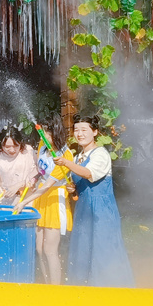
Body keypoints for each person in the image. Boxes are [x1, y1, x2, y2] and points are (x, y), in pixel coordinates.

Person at [53, 114, 135, 287]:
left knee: (103, 249)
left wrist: (66, 163)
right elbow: (80, 186)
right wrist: (73, 190)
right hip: (83, 210)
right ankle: (83, 289)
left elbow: (88, 173)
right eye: (76, 130)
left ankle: (112, 290)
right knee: (83, 249)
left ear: (95, 132)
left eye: (84, 130)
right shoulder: (77, 158)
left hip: (101, 211)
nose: (79, 134)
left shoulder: (101, 154)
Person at [13, 115, 73, 285]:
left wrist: (23, 202)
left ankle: (56, 289)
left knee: (50, 250)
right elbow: (42, 171)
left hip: (55, 199)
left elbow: (47, 186)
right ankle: (47, 285)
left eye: (47, 133)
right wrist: (34, 177)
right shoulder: (42, 146)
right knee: (39, 248)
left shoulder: (65, 156)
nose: (43, 136)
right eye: (42, 132)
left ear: (56, 132)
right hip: (41, 198)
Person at [0, 126, 38, 206]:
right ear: (1, 144)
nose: (12, 150)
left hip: (26, 197)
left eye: (16, 146)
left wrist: (19, 185)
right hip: (5, 197)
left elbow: (38, 171)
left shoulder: (28, 151)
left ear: (20, 142)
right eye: (7, 147)